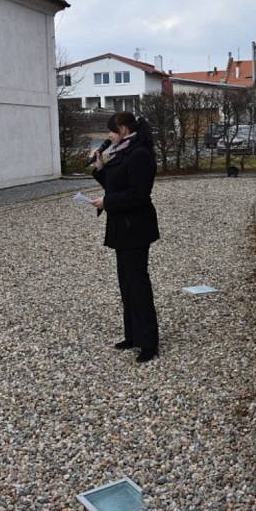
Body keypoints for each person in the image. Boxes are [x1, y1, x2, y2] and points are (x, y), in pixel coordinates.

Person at [90, 112, 160, 362]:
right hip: (122, 228)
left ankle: (149, 342)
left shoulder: (139, 153)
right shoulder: (122, 151)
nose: (108, 136)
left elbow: (138, 194)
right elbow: (114, 184)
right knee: (126, 283)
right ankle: (133, 335)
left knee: (138, 284)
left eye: (110, 131)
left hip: (136, 228)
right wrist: (99, 168)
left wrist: (107, 201)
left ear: (122, 129)